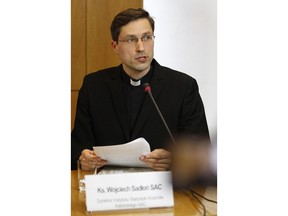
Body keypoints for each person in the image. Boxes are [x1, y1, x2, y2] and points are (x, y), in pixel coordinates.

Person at [71, 8, 210, 172]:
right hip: (108, 189)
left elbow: (202, 154)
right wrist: (83, 158)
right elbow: (76, 149)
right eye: (131, 40)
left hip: (165, 189)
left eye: (147, 38)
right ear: (115, 46)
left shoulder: (183, 87)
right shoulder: (94, 86)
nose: (141, 47)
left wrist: (174, 160)